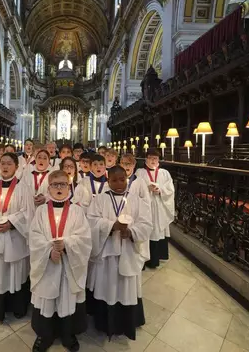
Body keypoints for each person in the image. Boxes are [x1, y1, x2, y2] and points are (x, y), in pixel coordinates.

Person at [29, 170, 92, 352]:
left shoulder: (76, 211)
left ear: (69, 187)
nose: (59, 188)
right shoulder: (41, 211)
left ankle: (68, 334)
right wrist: (48, 251)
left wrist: (67, 244)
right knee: (47, 300)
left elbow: (85, 237)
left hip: (68, 266)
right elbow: (34, 236)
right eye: (55, 184)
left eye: (63, 184)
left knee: (67, 299)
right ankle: (44, 335)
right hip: (47, 266)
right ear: (48, 188)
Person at [85, 166, 151, 340]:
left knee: (125, 286)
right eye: (114, 180)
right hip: (106, 253)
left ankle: (126, 322)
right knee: (107, 285)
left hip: (128, 251)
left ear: (127, 179)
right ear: (108, 181)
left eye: (122, 179)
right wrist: (111, 226)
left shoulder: (136, 200)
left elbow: (146, 224)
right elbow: (91, 221)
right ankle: (104, 322)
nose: (119, 183)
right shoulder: (99, 199)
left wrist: (131, 232)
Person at [0, 153, 35, 322]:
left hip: (15, 238)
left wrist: (11, 222)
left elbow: (28, 213)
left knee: (15, 271)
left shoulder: (23, 188)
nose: (5, 166)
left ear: (16, 167)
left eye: (9, 163)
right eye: (2, 163)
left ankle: (18, 306)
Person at [134, 148, 175, 267]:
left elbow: (170, 189)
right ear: (146, 159)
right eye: (151, 158)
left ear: (158, 160)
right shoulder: (140, 172)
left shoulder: (164, 173)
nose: (153, 160)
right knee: (147, 229)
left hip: (159, 205)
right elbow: (135, 189)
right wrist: (147, 189)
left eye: (155, 158)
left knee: (157, 230)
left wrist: (160, 189)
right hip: (146, 206)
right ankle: (144, 258)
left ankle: (155, 258)